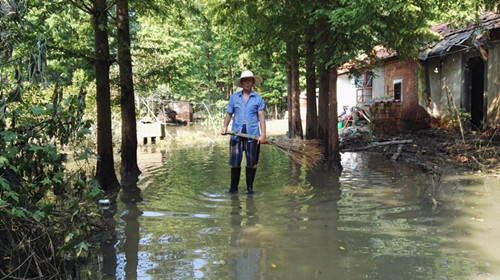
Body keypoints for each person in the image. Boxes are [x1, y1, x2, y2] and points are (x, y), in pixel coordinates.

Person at [221, 70, 266, 194]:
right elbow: (229, 113)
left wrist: (263, 135)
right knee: (235, 163)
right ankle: (233, 188)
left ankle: (249, 189)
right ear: (241, 83)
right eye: (245, 81)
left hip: (253, 134)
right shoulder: (234, 98)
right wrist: (225, 126)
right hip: (237, 133)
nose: (247, 83)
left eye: (249, 81)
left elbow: (261, 117)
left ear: (252, 83)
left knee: (252, 163)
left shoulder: (258, 98)